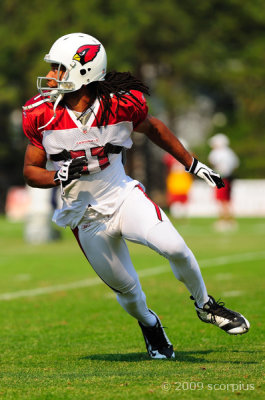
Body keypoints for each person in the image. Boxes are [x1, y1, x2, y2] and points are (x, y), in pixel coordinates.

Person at [22, 33, 249, 360]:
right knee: (127, 291)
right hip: (85, 216)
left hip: (123, 197)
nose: (53, 75)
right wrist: (60, 174)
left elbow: (153, 128)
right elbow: (30, 170)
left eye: (60, 68)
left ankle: (206, 305)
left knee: (175, 247)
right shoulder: (40, 112)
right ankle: (149, 323)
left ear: (84, 72)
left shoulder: (118, 104)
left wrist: (192, 163)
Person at [208, 133, 239, 231]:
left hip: (221, 178)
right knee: (226, 200)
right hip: (228, 177)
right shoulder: (230, 152)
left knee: (222, 200)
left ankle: (225, 220)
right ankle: (229, 220)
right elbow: (235, 164)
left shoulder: (217, 153)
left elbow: (212, 162)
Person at [163, 139, 193, 219]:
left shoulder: (188, 155)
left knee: (181, 199)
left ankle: (181, 215)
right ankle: (177, 215)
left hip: (182, 179)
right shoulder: (171, 156)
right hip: (176, 179)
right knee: (175, 198)